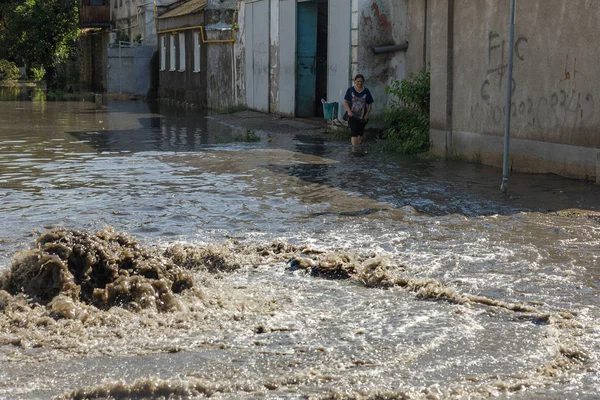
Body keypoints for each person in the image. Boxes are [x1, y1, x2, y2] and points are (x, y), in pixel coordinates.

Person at [343, 74, 374, 148]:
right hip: (352, 115)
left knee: (360, 134)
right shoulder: (350, 90)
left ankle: (358, 148)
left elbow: (370, 103)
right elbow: (345, 101)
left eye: (361, 81)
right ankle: (354, 150)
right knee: (354, 134)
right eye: (358, 81)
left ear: (363, 82)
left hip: (363, 117)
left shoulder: (366, 91)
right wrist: (349, 111)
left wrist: (367, 114)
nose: (360, 83)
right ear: (355, 81)